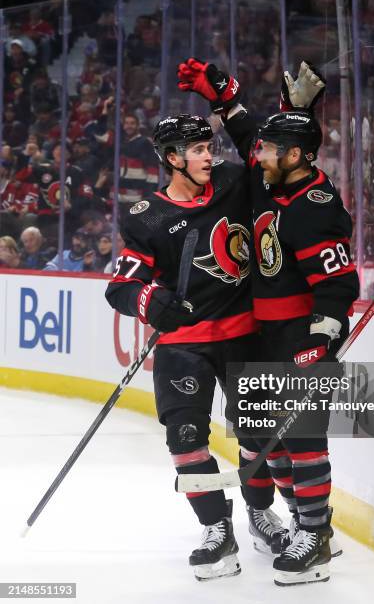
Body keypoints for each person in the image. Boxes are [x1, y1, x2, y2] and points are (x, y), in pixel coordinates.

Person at [178, 57, 359, 586]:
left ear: (298, 156)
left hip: (300, 335)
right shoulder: (269, 180)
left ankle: (316, 535)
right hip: (260, 332)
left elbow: (338, 285)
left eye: (272, 149)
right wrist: (224, 100)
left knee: (303, 438)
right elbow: (246, 135)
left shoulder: (317, 204)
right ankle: (300, 520)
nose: (259, 154)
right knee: (262, 434)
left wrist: (322, 340)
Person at [105, 114, 265, 581]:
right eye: (195, 150)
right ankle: (217, 528)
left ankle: (260, 512)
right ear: (172, 159)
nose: (207, 156)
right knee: (187, 441)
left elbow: (272, 159)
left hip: (243, 335)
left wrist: (236, 106)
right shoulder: (147, 216)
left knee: (257, 434)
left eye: (207, 146)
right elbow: (122, 287)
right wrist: (151, 301)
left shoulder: (234, 182)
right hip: (183, 345)